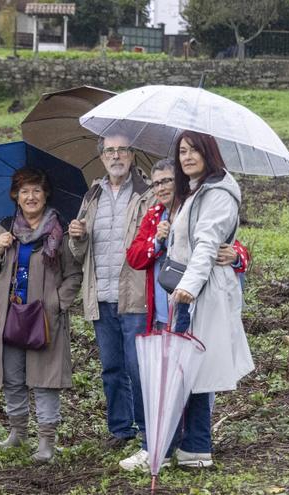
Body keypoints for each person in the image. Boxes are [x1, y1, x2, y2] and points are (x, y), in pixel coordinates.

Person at [120, 158, 251, 470]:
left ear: (178, 181)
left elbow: (228, 245)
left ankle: (183, 447)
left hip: (192, 305)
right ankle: (178, 446)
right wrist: (157, 239)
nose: (162, 188)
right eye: (156, 184)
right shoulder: (155, 216)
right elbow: (135, 257)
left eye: (167, 181)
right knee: (166, 381)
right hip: (162, 311)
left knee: (192, 380)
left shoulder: (196, 207)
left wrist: (236, 256)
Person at [0, 167, 83, 463]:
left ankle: (46, 441)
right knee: (12, 377)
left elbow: (74, 274)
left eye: (36, 190)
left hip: (44, 317)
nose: (30, 196)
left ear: (46, 194)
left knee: (44, 378)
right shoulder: (5, 228)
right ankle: (18, 434)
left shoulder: (60, 230)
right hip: (11, 313)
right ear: (15, 195)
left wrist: (56, 304)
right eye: (24, 191)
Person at [166, 130, 255, 468]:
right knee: (191, 370)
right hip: (189, 291)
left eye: (194, 150)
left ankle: (174, 447)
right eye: (182, 151)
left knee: (188, 370)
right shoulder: (196, 191)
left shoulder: (217, 193)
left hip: (199, 292)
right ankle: (193, 447)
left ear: (209, 153)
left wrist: (188, 287)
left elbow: (205, 245)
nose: (187, 157)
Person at [66, 133, 153, 449]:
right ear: (102, 157)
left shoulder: (147, 194)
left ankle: (147, 430)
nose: (116, 156)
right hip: (101, 294)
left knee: (138, 367)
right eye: (110, 151)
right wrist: (77, 236)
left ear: (132, 155)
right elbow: (79, 253)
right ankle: (120, 429)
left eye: (122, 150)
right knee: (112, 368)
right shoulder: (92, 196)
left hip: (135, 296)